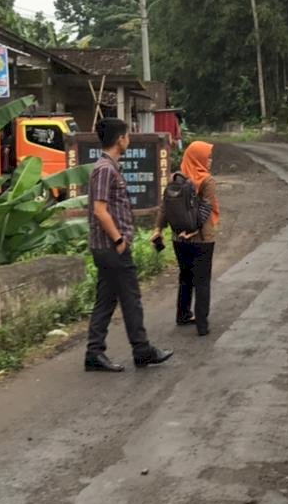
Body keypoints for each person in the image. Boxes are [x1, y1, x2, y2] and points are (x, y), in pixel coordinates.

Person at [84, 117, 173, 372]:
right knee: (131, 298)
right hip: (111, 247)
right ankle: (142, 350)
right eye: (127, 136)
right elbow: (100, 210)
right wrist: (119, 239)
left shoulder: (110, 167)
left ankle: (94, 352)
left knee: (106, 299)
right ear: (120, 139)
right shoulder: (105, 169)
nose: (129, 140)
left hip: (109, 248)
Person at [153, 141, 220, 337]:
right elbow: (207, 207)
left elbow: (165, 206)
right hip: (201, 238)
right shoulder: (207, 180)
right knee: (202, 280)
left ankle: (182, 315)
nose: (210, 161)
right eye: (207, 157)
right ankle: (202, 324)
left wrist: (158, 228)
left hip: (178, 238)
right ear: (198, 158)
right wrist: (194, 229)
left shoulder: (176, 177)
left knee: (185, 277)